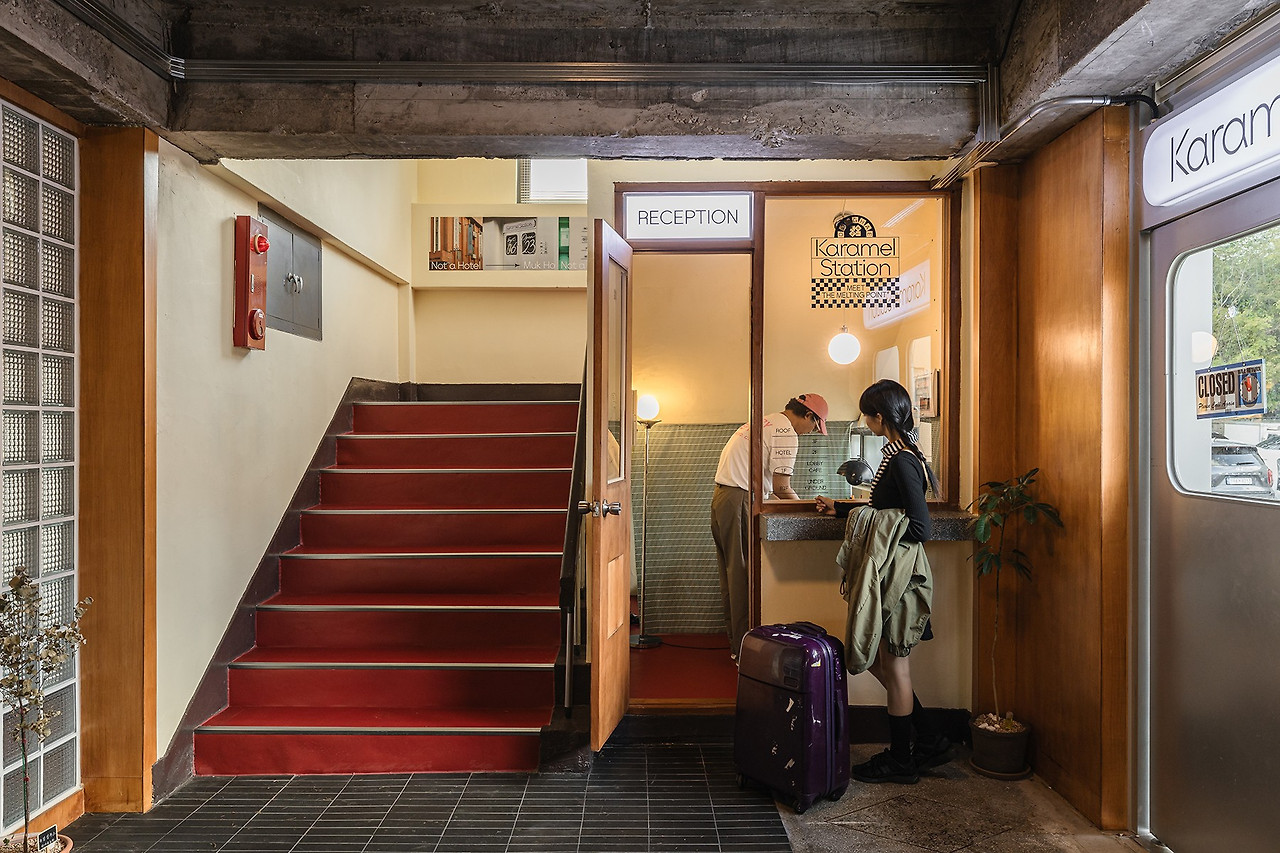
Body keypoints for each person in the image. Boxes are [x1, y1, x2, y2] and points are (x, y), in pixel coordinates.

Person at [816, 378, 948, 784]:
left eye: (866, 415)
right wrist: (842, 509)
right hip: (893, 573)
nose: (865, 422)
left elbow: (920, 526)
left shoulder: (903, 459)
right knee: (883, 661)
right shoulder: (899, 453)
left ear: (879, 417)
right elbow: (886, 507)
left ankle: (901, 760)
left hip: (899, 577)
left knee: (894, 665)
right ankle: (929, 738)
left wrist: (871, 525)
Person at [712, 393, 829, 660]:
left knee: (732, 576)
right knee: (744, 578)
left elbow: (771, 489)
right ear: (808, 416)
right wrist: (807, 509)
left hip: (723, 498)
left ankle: (737, 647)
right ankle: (746, 652)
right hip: (739, 500)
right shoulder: (786, 433)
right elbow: (781, 487)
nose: (811, 432)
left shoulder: (766, 421)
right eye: (814, 426)